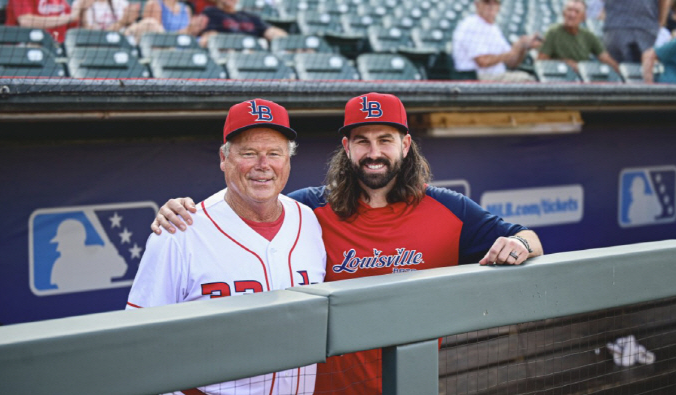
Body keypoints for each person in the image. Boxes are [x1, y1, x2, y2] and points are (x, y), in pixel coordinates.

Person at [151, 92, 544, 395]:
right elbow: (246, 203)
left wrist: (522, 244)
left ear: (405, 145)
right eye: (362, 140)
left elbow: (527, 235)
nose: (374, 153)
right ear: (346, 147)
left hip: (409, 383)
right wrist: (181, 211)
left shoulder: (449, 208)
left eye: (385, 140)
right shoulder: (308, 208)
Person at [127, 99, 326, 395]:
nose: (263, 165)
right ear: (224, 158)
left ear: (288, 160)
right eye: (249, 153)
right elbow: (137, 340)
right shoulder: (179, 230)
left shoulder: (308, 220)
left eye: (275, 153)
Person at [451, 0, 542, 82]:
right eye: (487, 2)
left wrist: (523, 47)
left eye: (495, 2)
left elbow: (512, 63)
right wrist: (513, 51)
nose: (491, 6)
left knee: (532, 78)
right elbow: (483, 62)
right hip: (476, 78)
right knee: (527, 80)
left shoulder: (493, 27)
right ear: (477, 5)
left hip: (493, 76)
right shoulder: (471, 25)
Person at [538, 0, 620, 75]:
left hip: (582, 78)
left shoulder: (588, 36)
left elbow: (605, 57)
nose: (572, 15)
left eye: (577, 12)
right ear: (564, 13)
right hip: (559, 76)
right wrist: (565, 63)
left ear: (583, 17)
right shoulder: (553, 32)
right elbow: (541, 61)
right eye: (569, 10)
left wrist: (620, 71)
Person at [603, 0, 672, 63]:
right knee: (642, 71)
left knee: (616, 72)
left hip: (616, 25)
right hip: (645, 26)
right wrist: (660, 22)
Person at [197, 0, 287, 47]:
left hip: (253, 54)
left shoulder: (250, 16)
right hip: (230, 54)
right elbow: (209, 38)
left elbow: (271, 31)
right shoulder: (212, 12)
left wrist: (288, 41)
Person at [5, 0, 81, 43]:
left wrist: (82, 7)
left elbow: (76, 26)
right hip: (27, 47)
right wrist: (69, 18)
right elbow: (26, 21)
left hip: (60, 48)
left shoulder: (60, 1)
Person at [139, 0, 208, 35]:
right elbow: (157, 37)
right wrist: (187, 30)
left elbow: (190, 35)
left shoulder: (186, 8)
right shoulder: (154, 4)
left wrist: (195, 29)